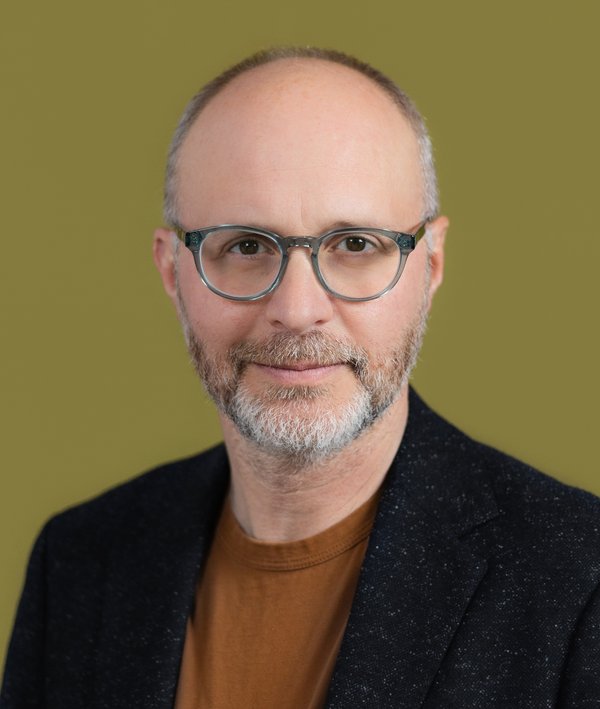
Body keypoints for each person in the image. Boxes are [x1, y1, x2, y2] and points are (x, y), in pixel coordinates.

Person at [2, 47, 599, 709]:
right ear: (172, 270)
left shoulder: (580, 578)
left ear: (430, 264)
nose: (296, 309)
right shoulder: (80, 562)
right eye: (247, 246)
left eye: (355, 245)